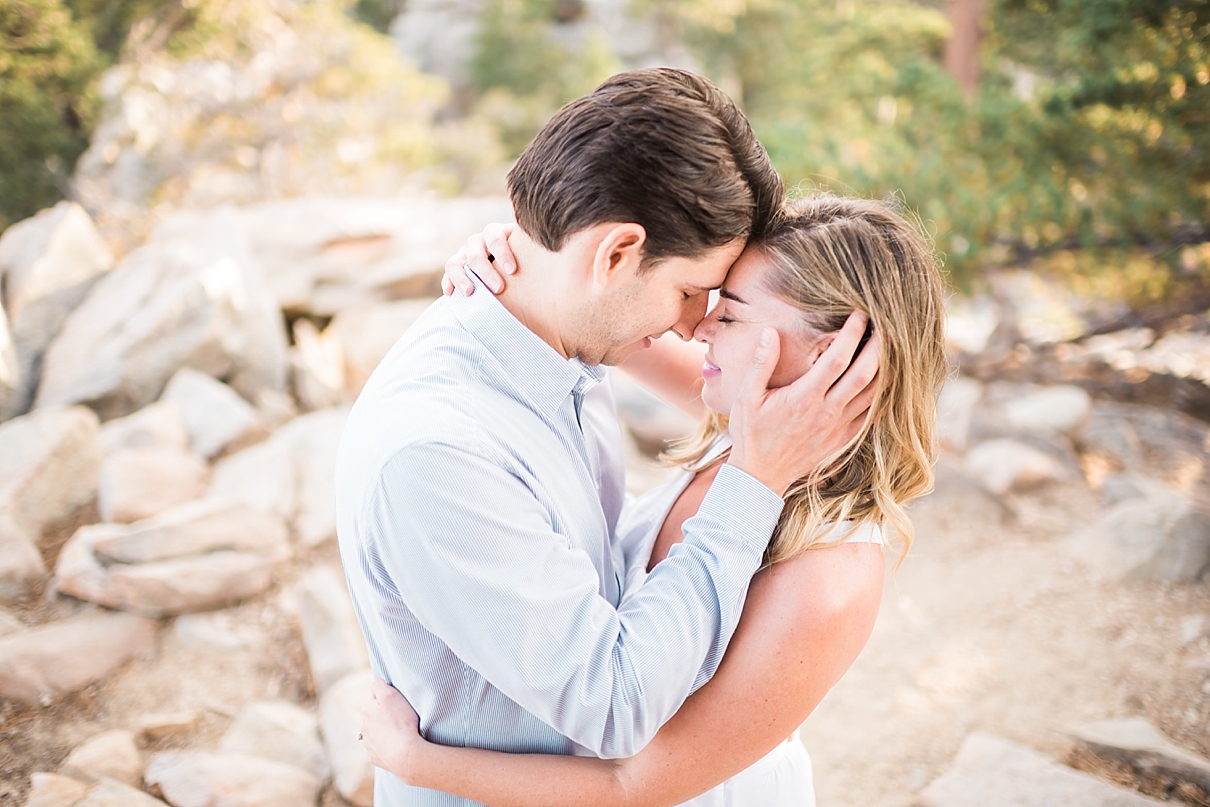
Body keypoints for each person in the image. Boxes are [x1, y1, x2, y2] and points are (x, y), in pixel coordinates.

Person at [334, 69, 879, 806]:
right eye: (690, 291)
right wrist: (751, 485)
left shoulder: (567, 347)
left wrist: (525, 248)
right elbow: (614, 705)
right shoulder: (442, 454)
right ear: (615, 255)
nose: (693, 325)